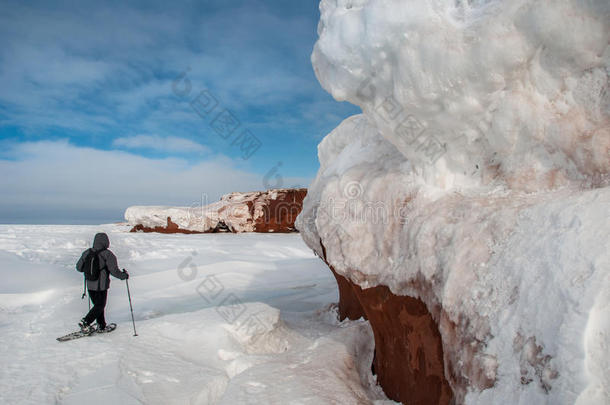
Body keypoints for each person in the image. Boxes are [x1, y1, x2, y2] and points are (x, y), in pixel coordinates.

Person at [76, 232, 128, 332]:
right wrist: (123, 276)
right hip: (101, 286)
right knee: (100, 305)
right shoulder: (107, 254)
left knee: (98, 306)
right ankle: (86, 322)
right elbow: (114, 271)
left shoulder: (87, 252)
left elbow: (79, 268)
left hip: (90, 284)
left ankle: (101, 326)